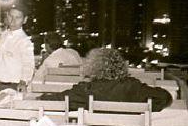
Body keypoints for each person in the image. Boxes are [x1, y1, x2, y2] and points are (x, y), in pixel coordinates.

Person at [41, 47, 172, 111]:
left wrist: (39, 97)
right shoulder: (134, 88)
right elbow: (165, 97)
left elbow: (56, 101)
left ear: (92, 67)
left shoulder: (85, 90)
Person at [0, 7, 35, 97]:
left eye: (18, 17)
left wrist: (23, 82)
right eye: (11, 16)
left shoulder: (24, 41)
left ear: (24, 20)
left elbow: (28, 64)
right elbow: (2, 56)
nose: (13, 20)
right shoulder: (4, 35)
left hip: (14, 87)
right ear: (7, 16)